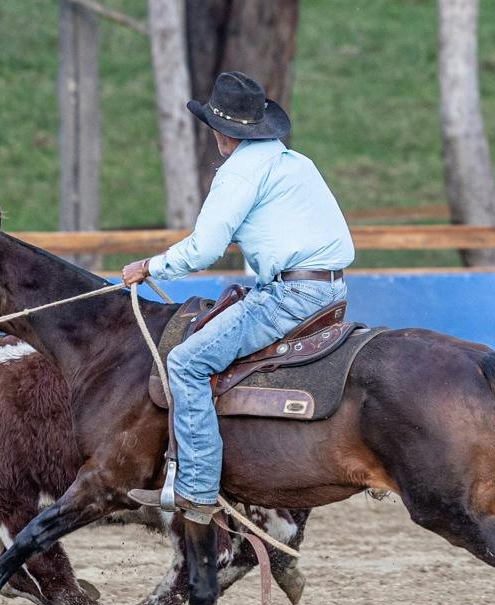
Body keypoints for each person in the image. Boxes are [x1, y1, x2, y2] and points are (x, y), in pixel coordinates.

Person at [118, 71, 354, 527]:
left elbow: (205, 248)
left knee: (186, 363)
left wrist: (149, 267)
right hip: (329, 287)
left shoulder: (238, 173)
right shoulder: (296, 162)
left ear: (220, 132)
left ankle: (198, 489)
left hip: (290, 294)